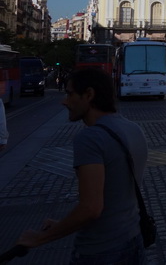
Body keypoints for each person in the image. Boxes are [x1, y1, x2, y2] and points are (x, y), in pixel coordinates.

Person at [16, 68, 148, 263]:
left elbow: (91, 208)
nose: (64, 101)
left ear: (89, 95)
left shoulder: (90, 138)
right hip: (133, 240)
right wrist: (63, 224)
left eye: (70, 94)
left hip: (100, 250)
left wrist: (39, 238)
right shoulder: (133, 128)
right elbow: (116, 196)